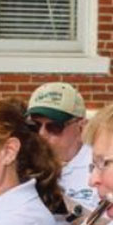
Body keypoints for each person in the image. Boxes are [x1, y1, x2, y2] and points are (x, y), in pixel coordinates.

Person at [26, 82, 97, 216]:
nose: (41, 134)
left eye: (54, 127)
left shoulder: (100, 168)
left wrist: (62, 204)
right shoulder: (21, 162)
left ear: (81, 127)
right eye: (34, 126)